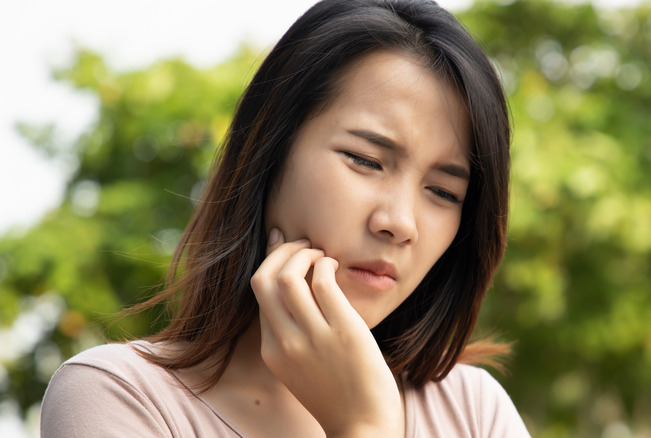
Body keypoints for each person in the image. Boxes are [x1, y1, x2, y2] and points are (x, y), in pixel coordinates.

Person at [40, 0, 531, 436]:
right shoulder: (121, 399)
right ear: (269, 155)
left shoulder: (473, 411)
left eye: (444, 191)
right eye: (365, 160)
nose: (400, 222)